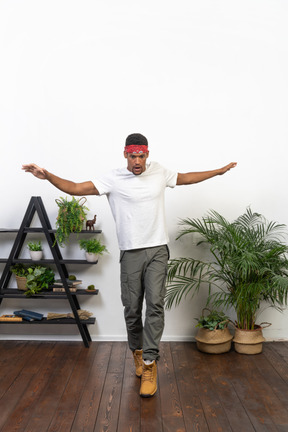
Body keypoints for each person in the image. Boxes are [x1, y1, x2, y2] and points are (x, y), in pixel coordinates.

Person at [22, 133, 237, 398]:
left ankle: (149, 363)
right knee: (132, 309)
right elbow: (76, 188)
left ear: (148, 154)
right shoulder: (113, 178)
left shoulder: (159, 172)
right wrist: (48, 175)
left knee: (155, 305)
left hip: (158, 249)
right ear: (125, 154)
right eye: (133, 155)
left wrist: (218, 171)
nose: (137, 161)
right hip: (131, 253)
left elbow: (186, 177)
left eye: (142, 156)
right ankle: (137, 351)